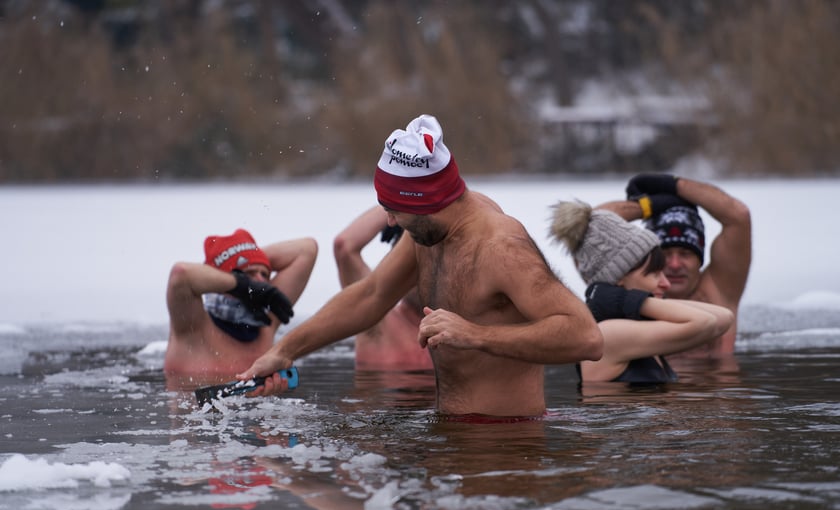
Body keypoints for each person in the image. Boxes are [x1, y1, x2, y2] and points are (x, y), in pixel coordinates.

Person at [239, 114, 603, 417]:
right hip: (449, 433)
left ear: (426, 202)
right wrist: (284, 351)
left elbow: (585, 337)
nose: (392, 225)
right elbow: (371, 294)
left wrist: (475, 335)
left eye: (395, 213)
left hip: (507, 445)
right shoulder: (428, 233)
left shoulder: (500, 248)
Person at [551, 199, 734, 383]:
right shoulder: (608, 334)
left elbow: (724, 318)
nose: (666, 284)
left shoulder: (633, 322)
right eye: (654, 274)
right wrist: (633, 300)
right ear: (620, 277)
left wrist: (627, 300)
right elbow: (705, 322)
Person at [595, 173, 751, 358]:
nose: (675, 265)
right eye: (665, 254)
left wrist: (675, 185)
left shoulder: (719, 289)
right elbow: (592, 224)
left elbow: (739, 216)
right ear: (650, 257)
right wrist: (647, 207)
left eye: (685, 254)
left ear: (699, 258)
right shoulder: (628, 294)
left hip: (718, 386)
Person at [163, 228, 318, 387]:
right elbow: (180, 274)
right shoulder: (192, 329)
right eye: (249, 274)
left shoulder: (267, 322)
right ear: (218, 282)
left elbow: (307, 249)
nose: (260, 282)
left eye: (264, 274)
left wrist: (249, 258)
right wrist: (240, 285)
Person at [333, 205, 434, 371]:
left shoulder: (461, 327)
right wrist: (401, 202)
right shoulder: (376, 320)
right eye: (407, 265)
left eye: (424, 262)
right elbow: (345, 245)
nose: (415, 273)